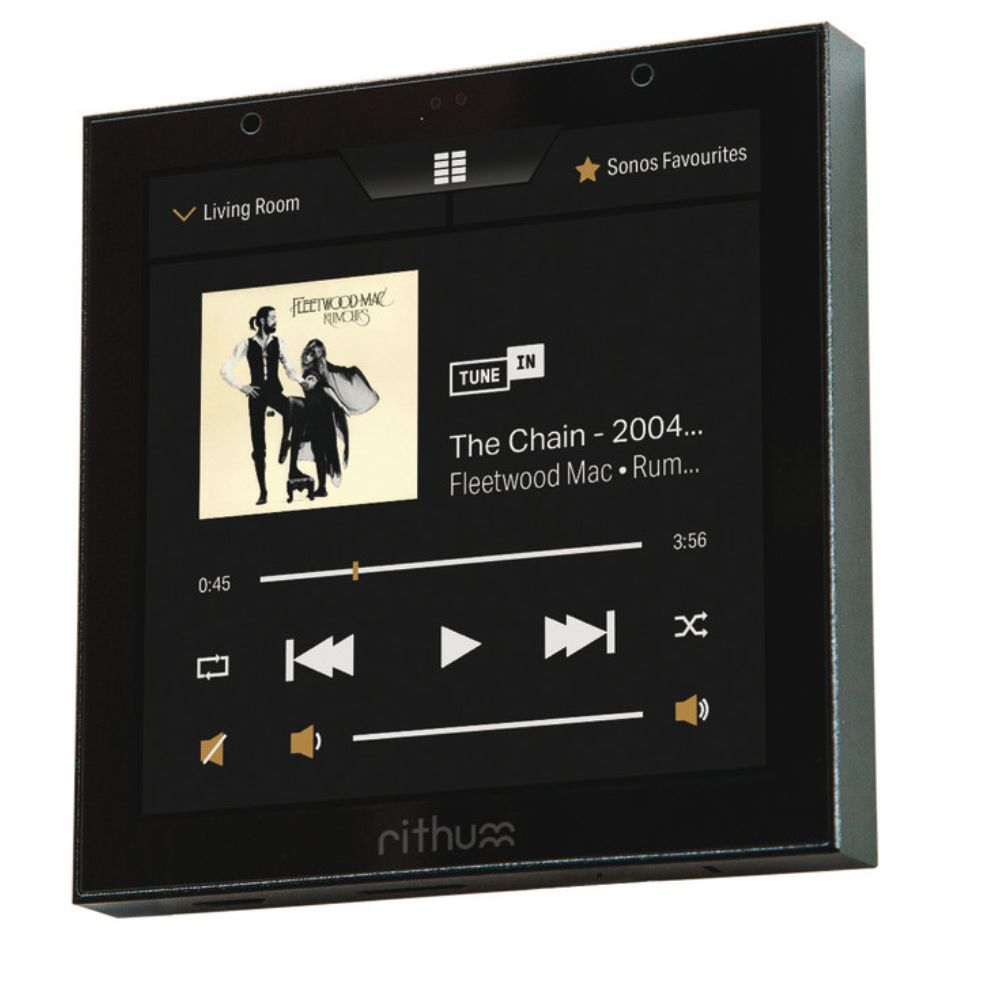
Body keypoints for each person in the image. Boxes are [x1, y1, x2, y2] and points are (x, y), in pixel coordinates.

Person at [220, 305, 305, 505]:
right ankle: (263, 492)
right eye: (272, 318)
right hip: (257, 396)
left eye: (276, 318)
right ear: (261, 320)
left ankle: (286, 441)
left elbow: (289, 368)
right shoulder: (246, 344)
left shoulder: (279, 343)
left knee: (297, 411)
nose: (276, 321)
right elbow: (225, 370)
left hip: (274, 393)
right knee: (258, 447)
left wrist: (302, 381)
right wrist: (242, 387)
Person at [286, 338, 379, 496]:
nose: (306, 356)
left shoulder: (312, 372)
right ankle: (322, 488)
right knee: (320, 451)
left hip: (321, 415)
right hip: (316, 413)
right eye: (306, 352)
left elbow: (326, 389)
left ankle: (322, 485)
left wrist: (343, 406)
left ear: (316, 357)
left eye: (311, 354)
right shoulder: (313, 370)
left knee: (321, 450)